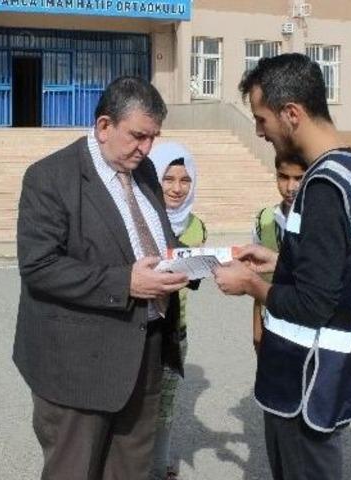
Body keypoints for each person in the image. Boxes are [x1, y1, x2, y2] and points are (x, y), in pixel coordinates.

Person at [213, 53, 351, 480]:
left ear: (291, 114)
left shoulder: (324, 185)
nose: (258, 130)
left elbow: (313, 303)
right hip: (333, 376)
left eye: (261, 118)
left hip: (307, 381)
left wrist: (253, 285)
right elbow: (341, 267)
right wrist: (281, 260)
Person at [13, 76, 191, 480]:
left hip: (144, 350)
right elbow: (39, 266)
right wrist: (124, 283)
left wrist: (196, 260)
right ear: (104, 125)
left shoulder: (144, 170)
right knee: (73, 470)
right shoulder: (50, 178)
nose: (146, 149)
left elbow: (154, 238)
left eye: (153, 138)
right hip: (79, 365)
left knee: (130, 469)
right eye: (138, 136)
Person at [148, 142, 207, 480]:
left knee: (165, 408)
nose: (176, 188)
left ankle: (158, 468)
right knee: (136, 407)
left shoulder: (197, 226)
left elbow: (191, 276)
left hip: (175, 332)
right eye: (168, 178)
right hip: (140, 328)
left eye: (185, 180)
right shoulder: (141, 216)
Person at [251, 153, 306, 353]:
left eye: (299, 178)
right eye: (283, 177)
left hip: (306, 327)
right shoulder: (263, 219)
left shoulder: (320, 221)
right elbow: (259, 278)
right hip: (271, 321)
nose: (291, 187)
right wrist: (257, 327)